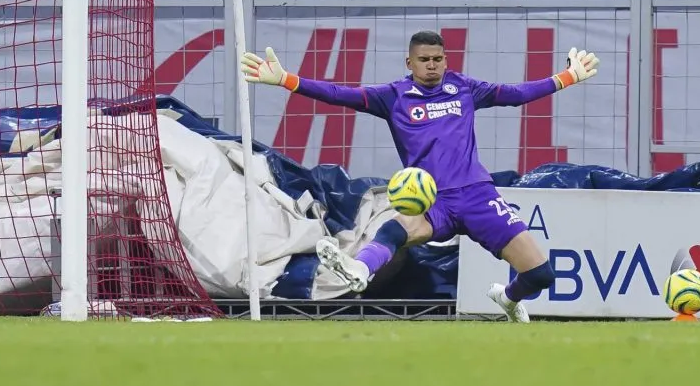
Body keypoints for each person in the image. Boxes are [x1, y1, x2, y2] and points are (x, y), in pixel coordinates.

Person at [240, 30, 601, 323]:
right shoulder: (392, 97)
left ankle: (506, 298)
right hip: (432, 199)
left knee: (541, 276)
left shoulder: (464, 87)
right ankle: (360, 270)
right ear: (409, 62)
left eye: (438, 59)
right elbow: (339, 94)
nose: (432, 65)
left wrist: (568, 76)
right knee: (396, 229)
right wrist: (287, 80)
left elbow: (516, 94)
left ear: (446, 60)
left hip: (477, 195)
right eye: (424, 59)